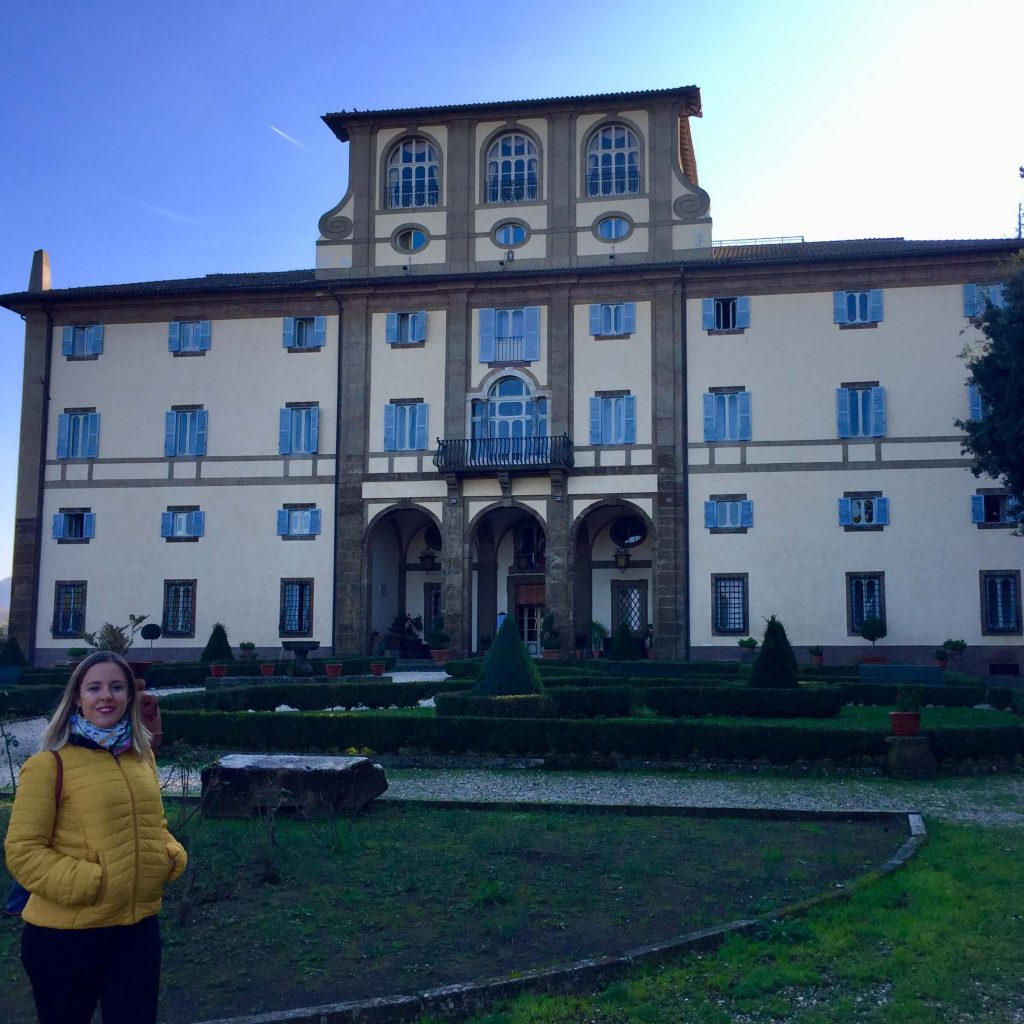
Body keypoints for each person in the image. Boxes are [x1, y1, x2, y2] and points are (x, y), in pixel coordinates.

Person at [4, 651, 187, 1024]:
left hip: (136, 932)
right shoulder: (47, 765)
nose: (107, 696)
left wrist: (168, 855)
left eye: (117, 687)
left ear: (129, 697)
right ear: (77, 698)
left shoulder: (141, 758)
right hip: (67, 938)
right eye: (95, 687)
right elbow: (23, 852)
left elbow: (156, 822)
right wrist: (92, 882)